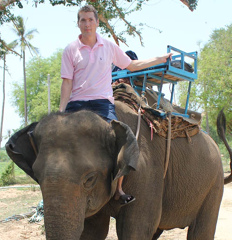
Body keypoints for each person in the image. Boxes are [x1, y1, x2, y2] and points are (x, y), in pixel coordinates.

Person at [59, 5, 172, 205]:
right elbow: (67, 82)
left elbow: (132, 65)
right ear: (78, 24)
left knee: (122, 140)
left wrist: (159, 59)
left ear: (97, 22)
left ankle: (118, 189)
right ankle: (59, 190)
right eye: (83, 20)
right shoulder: (70, 50)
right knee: (59, 143)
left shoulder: (109, 47)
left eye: (90, 20)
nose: (87, 24)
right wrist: (61, 113)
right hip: (77, 104)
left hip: (103, 103)